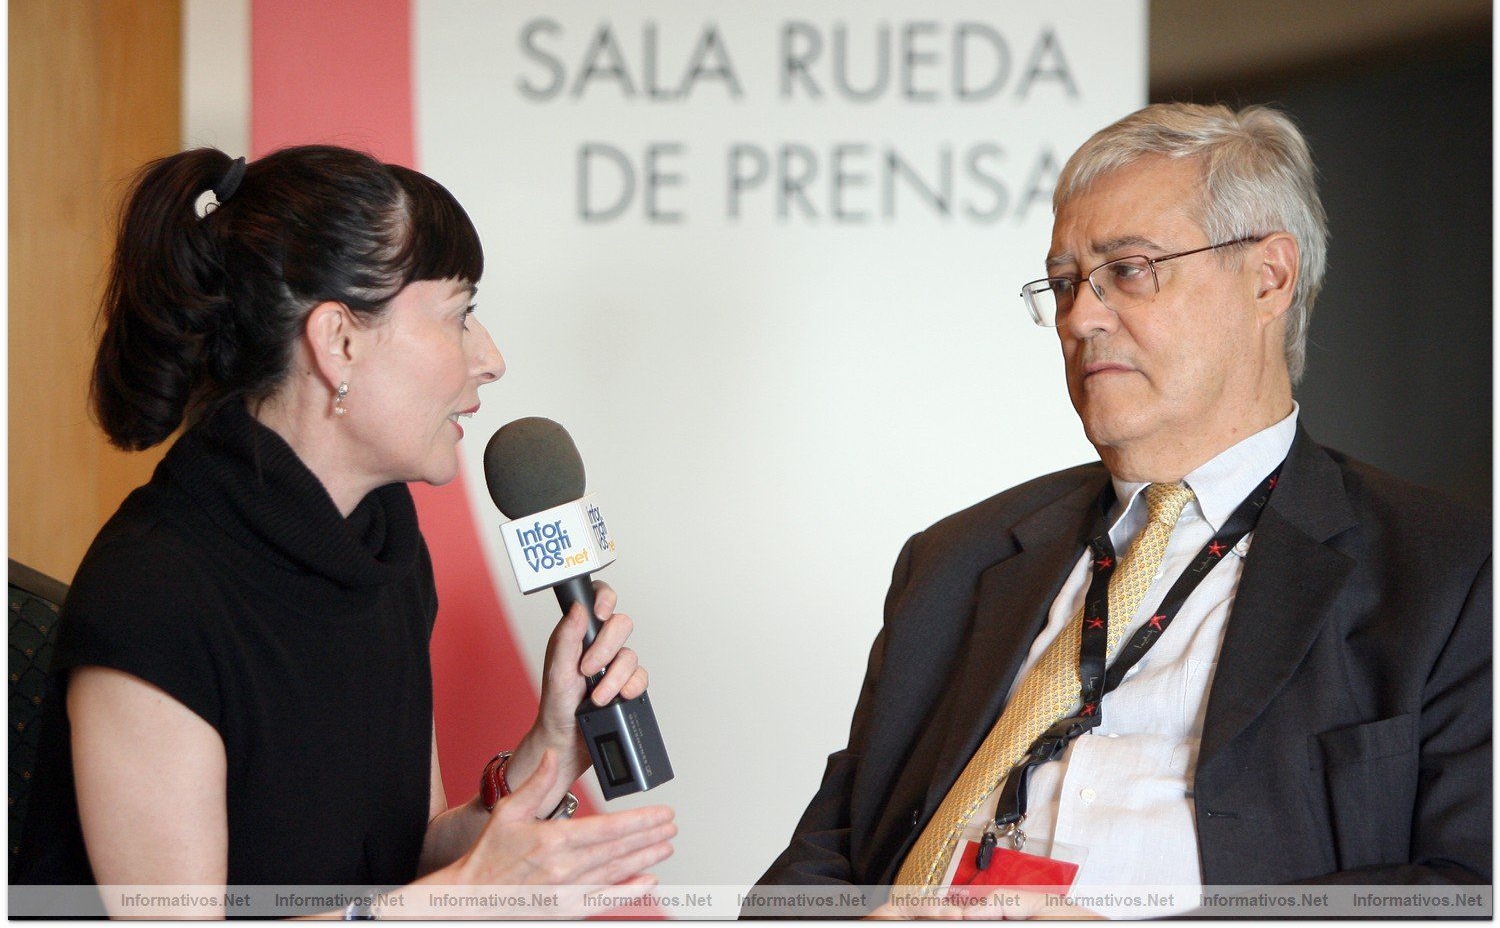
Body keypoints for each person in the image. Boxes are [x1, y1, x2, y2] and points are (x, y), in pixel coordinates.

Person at [752, 103, 1490, 915]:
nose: (1080, 317)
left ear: (1269, 277)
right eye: (1065, 283)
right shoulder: (954, 562)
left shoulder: (1447, 572)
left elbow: (1468, 891)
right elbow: (816, 870)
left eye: (1128, 270)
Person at [16, 146, 677, 913]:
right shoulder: (156, 591)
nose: (490, 358)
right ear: (339, 342)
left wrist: (549, 758)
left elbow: (407, 852)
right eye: (459, 315)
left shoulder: (379, 539)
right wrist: (460, 899)